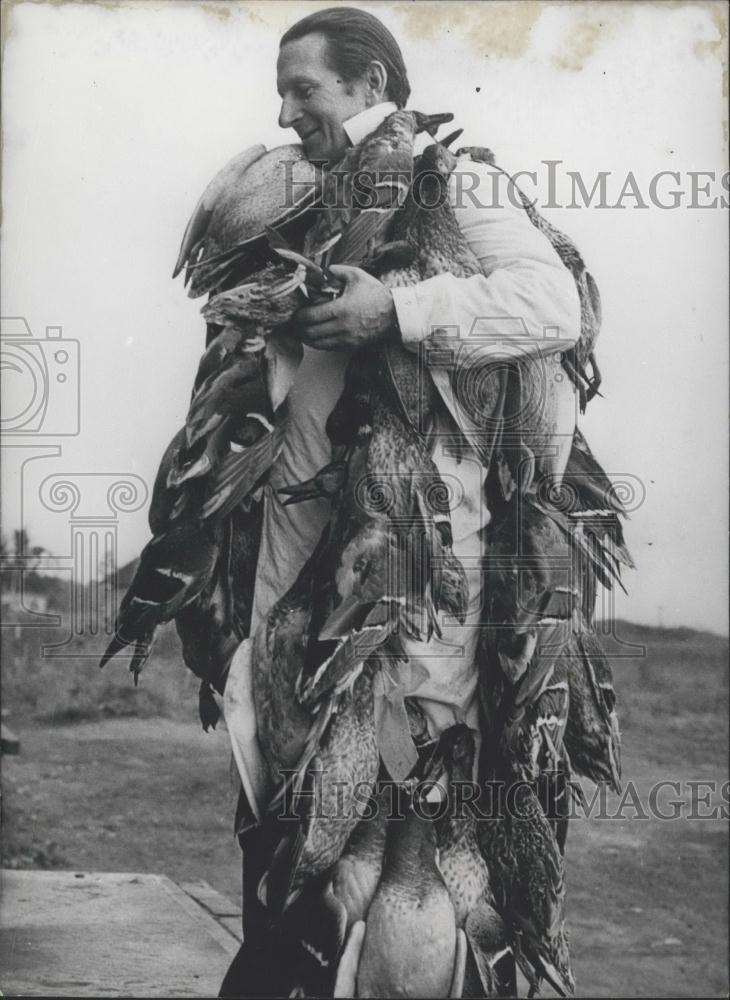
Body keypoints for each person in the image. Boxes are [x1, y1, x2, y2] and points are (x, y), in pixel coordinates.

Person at [220, 6, 581, 995]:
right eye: (282, 91)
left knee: (411, 823)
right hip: (299, 571)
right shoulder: (300, 199)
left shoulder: (448, 178)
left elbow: (554, 305)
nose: (286, 109)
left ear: (372, 84)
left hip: (414, 578)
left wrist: (401, 308)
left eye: (306, 88)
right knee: (294, 829)